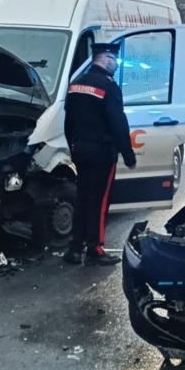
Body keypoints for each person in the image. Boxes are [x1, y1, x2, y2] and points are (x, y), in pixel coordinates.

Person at [63, 43, 137, 266]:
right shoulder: (108, 86)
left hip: (80, 150)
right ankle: (95, 250)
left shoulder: (76, 84)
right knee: (99, 202)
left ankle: (75, 248)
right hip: (102, 153)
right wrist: (128, 154)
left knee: (82, 198)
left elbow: (68, 121)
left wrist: (72, 145)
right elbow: (117, 123)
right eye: (115, 61)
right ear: (105, 59)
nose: (116, 65)